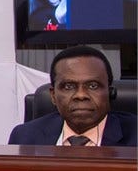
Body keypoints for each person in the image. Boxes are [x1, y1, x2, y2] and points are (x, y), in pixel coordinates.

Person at [8, 46, 136, 146]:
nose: (81, 95)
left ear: (110, 93)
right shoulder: (24, 137)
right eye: (68, 86)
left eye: (93, 86)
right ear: (53, 95)